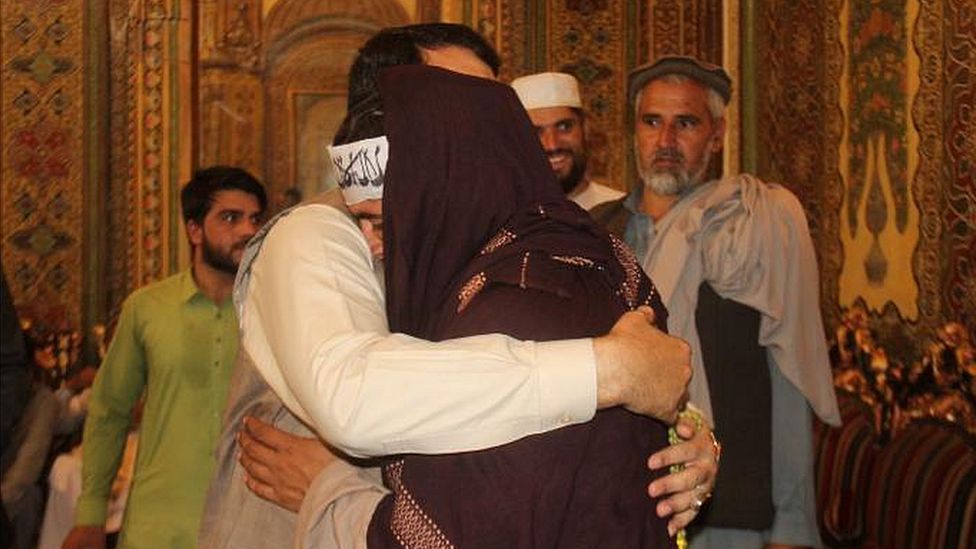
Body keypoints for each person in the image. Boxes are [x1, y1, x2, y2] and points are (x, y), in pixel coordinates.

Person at [201, 23, 714, 549]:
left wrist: (683, 435)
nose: (487, 123)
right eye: (459, 98)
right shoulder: (314, 230)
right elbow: (353, 396)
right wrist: (607, 370)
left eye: (495, 101)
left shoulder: (498, 247)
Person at [590, 56, 842, 549]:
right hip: (620, 510)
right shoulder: (600, 232)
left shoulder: (755, 225)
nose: (665, 142)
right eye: (652, 122)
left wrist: (790, 527)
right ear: (634, 131)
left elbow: (788, 383)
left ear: (718, 133)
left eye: (685, 123)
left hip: (729, 517)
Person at [63, 166, 267, 549]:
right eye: (230, 218)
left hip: (250, 525)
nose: (247, 231)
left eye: (255, 219)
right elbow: (109, 411)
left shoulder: (276, 310)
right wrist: (90, 515)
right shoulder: (147, 308)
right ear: (194, 230)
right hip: (158, 526)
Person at [510, 71, 625, 209]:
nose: (552, 145)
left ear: (586, 129)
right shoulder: (501, 219)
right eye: (535, 133)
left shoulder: (622, 214)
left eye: (564, 127)